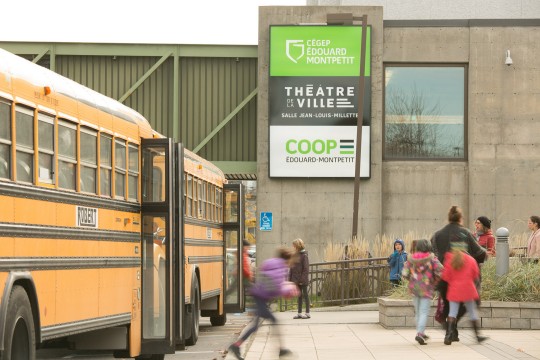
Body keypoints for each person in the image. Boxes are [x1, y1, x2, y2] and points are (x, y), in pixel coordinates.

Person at [228, 247, 298, 360]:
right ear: (287, 259)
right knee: (272, 321)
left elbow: (275, 283)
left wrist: (288, 286)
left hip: (259, 297)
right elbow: (277, 287)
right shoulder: (281, 267)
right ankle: (281, 350)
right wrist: (290, 291)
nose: (291, 263)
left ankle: (236, 346)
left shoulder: (273, 263)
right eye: (291, 261)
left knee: (255, 326)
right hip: (261, 298)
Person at [431, 205, 486, 342]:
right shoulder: (466, 233)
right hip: (464, 275)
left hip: (444, 275)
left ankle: (451, 332)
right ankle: (456, 331)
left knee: (450, 305)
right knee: (466, 306)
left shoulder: (437, 235)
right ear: (460, 218)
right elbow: (480, 254)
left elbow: (434, 256)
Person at [441, 242, 487, 345]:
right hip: (468, 290)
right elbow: (476, 275)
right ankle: (477, 336)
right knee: (472, 312)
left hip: (454, 290)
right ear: (465, 249)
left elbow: (445, 277)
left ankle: (448, 336)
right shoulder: (471, 260)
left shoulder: (449, 260)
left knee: (452, 312)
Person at [401, 239, 443, 345]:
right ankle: (420, 333)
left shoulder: (410, 259)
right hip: (427, 289)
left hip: (414, 289)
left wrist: (412, 280)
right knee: (424, 312)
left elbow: (405, 274)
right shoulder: (432, 259)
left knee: (418, 312)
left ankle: (421, 332)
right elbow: (440, 271)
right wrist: (434, 280)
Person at [290, 238, 310, 319]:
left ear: (297, 246)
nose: (293, 247)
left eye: (294, 246)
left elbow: (306, 269)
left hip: (302, 280)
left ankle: (308, 313)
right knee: (299, 296)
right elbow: (292, 268)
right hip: (296, 279)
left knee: (305, 295)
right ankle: (299, 313)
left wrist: (302, 280)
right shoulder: (295, 255)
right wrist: (290, 279)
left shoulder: (304, 255)